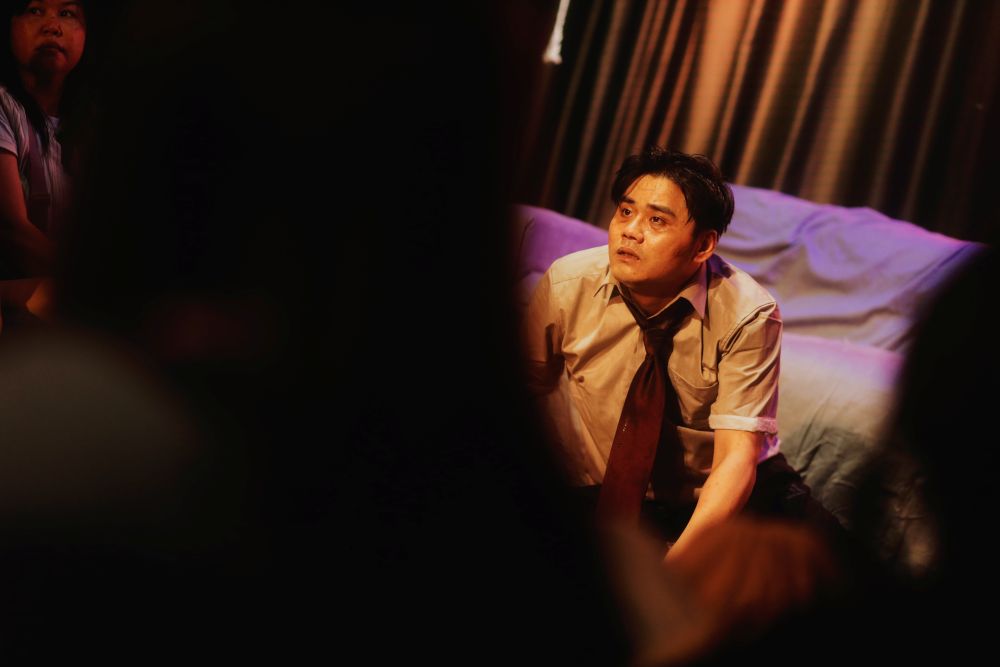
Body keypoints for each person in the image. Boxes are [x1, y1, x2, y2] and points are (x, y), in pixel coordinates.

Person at [523, 146, 842, 561]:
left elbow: (735, 459)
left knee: (843, 570)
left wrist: (678, 568)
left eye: (656, 220)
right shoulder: (568, 284)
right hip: (615, 491)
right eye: (625, 212)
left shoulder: (748, 314)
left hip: (726, 491)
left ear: (703, 245)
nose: (630, 231)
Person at [0, 0, 94, 330]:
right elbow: (12, 229)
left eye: (67, 14)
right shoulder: (4, 105)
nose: (52, 26)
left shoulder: (90, 118)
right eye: (34, 10)